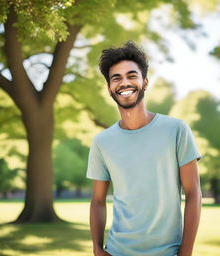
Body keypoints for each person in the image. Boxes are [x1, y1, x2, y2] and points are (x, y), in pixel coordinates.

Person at [86, 41, 202, 256]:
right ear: (110, 88)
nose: (124, 83)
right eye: (116, 78)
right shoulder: (102, 141)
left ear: (145, 82)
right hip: (117, 251)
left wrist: (186, 252)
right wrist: (96, 248)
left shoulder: (176, 130)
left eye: (132, 76)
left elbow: (193, 193)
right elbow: (98, 200)